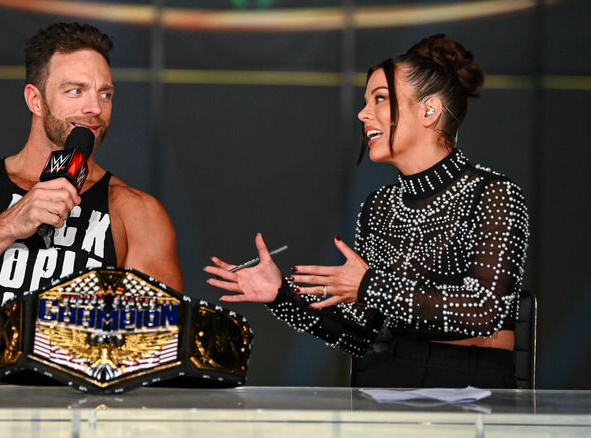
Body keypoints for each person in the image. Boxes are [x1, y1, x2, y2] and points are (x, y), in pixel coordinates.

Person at [205, 34, 529, 389]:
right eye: (365, 102)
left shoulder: (493, 193)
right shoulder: (379, 206)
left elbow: (484, 311)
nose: (363, 114)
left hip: (470, 386)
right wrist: (281, 294)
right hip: (386, 380)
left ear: (429, 110)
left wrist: (370, 286)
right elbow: (360, 334)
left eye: (380, 99)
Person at [0, 22, 183, 384]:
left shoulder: (135, 210)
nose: (94, 108)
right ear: (35, 100)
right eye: (75, 91)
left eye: (105, 94)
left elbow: (159, 348)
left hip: (65, 405)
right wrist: (12, 222)